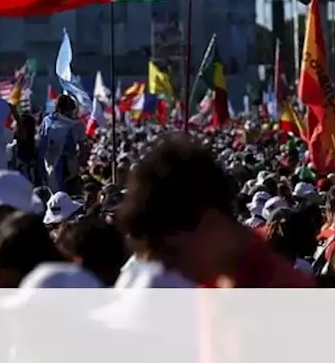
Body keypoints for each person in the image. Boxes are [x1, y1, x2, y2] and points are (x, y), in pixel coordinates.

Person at [116, 134, 312, 287]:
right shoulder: (212, 285)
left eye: (173, 254)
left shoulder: (282, 294)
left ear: (210, 223)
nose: (173, 272)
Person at [38, 95, 84, 196]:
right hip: (61, 164)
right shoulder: (76, 125)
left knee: (56, 192)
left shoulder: (48, 121)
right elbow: (83, 148)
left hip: (54, 163)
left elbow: (41, 143)